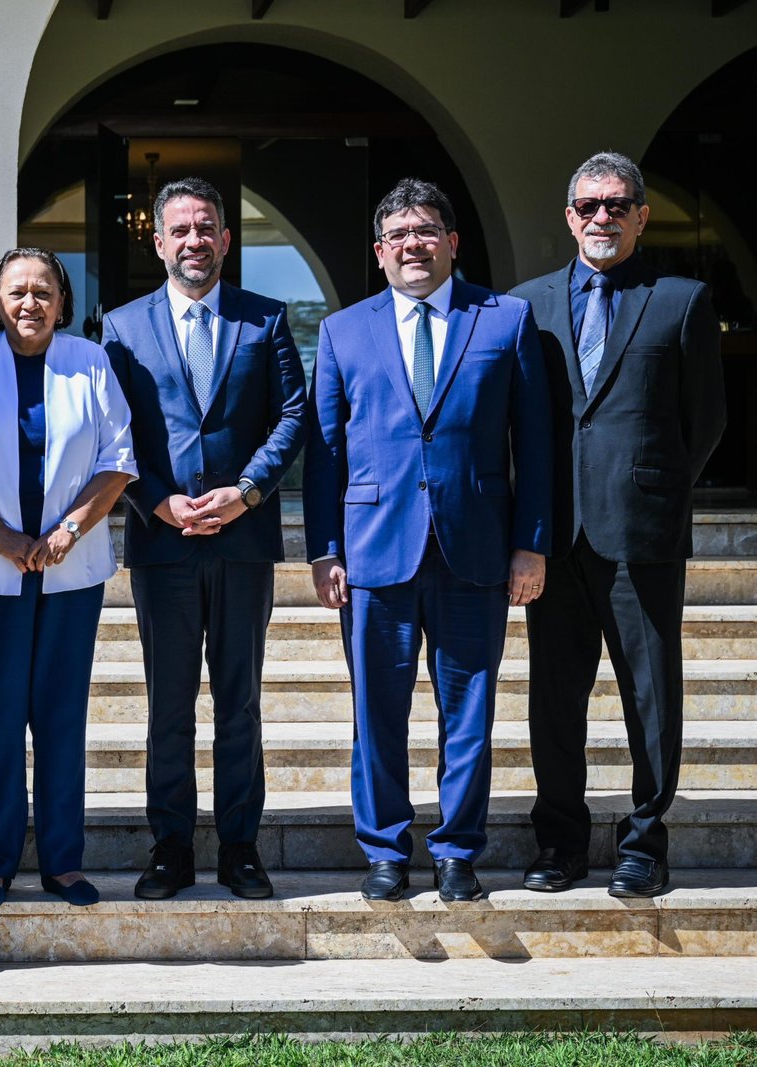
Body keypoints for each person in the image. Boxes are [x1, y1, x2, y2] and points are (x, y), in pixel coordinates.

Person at [303, 178, 552, 903]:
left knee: (468, 711)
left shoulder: (505, 320)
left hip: (475, 545)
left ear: (452, 242)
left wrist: (530, 542)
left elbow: (531, 442)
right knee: (377, 712)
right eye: (398, 235)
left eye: (426, 231)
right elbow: (325, 454)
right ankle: (384, 849)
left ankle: (455, 852)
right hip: (375, 549)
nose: (414, 244)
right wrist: (324, 549)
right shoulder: (343, 330)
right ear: (380, 253)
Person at [511, 151, 725, 899]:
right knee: (554, 700)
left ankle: (644, 842)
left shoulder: (682, 300)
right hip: (554, 539)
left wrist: (653, 488)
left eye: (617, 203)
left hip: (643, 533)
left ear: (641, 215)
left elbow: (705, 421)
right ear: (569, 217)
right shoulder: (525, 305)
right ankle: (560, 841)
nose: (602, 216)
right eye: (588, 205)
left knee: (650, 695)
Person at [102, 177, 306, 902]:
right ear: (158, 243)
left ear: (226, 239)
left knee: (239, 699)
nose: (194, 240)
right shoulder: (121, 327)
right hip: (162, 544)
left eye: (207, 227)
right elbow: (115, 428)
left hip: (243, 541)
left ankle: (241, 847)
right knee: (168, 702)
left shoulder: (267, 319)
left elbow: (291, 417)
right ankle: (171, 848)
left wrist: (245, 493)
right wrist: (156, 500)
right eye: (180, 230)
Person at [0, 248, 137, 910]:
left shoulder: (90, 362)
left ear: (62, 301)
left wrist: (67, 531)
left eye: (43, 291)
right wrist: (1, 536)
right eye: (16, 291)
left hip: (71, 570)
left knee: (60, 718)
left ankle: (63, 860)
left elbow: (118, 459)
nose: (30, 302)